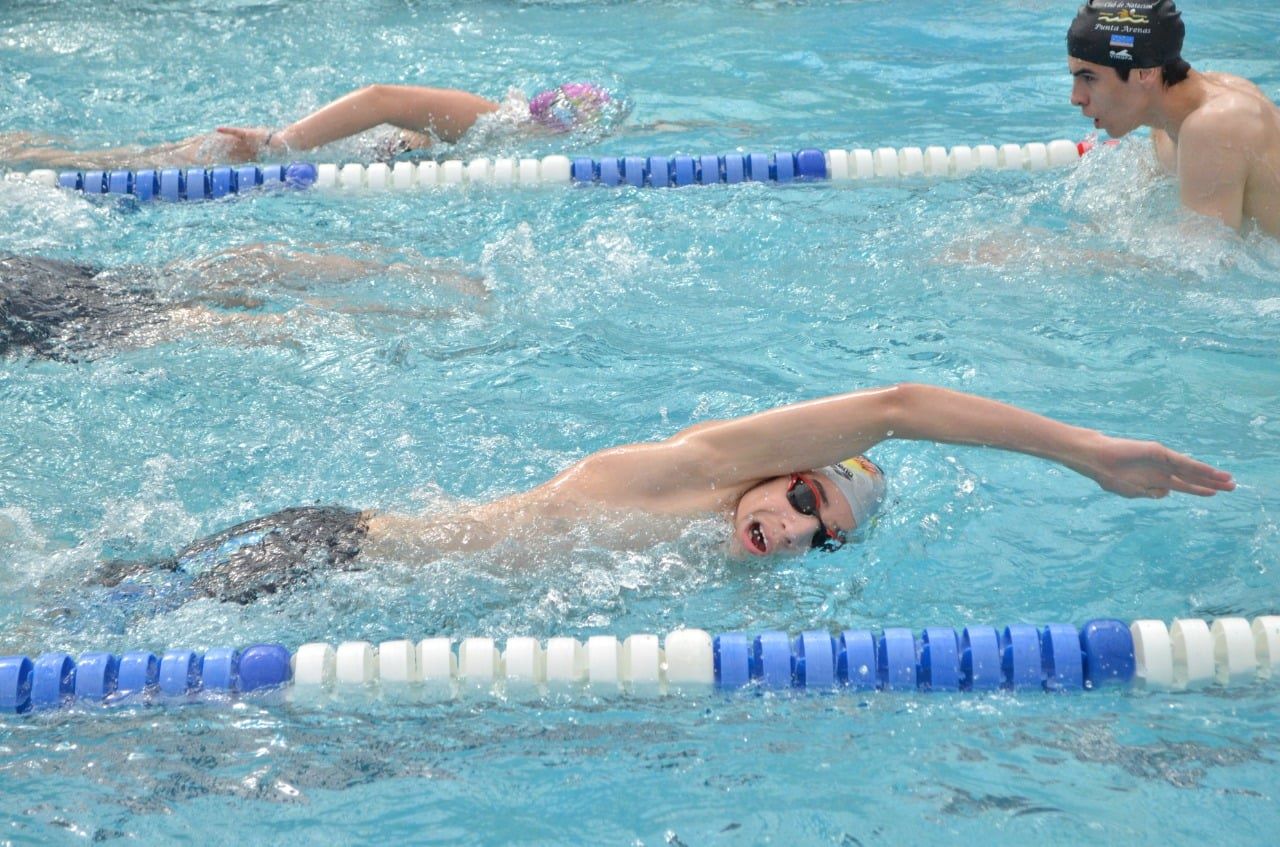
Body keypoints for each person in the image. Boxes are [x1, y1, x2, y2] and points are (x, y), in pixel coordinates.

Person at [94, 383, 1235, 604]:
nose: (789, 530)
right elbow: (901, 406)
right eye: (801, 494)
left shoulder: (716, 561)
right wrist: (1085, 453)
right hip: (316, 557)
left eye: (817, 537)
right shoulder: (696, 471)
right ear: (775, 464)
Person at [0, 83, 621, 171]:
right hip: (268, 148)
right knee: (129, 164)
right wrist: (281, 143)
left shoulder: (502, 138)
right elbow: (381, 96)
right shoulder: (491, 119)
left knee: (136, 159)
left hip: (329, 159)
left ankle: (32, 152)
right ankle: (25, 153)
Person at [0, 247, 485, 360]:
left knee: (205, 322)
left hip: (40, 318)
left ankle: (427, 319)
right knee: (217, 274)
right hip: (27, 273)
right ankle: (426, 279)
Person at [1067, 0, 1280, 237]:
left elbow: (1203, 266)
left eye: (1089, 78)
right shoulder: (1164, 123)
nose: (1076, 98)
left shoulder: (1216, 124)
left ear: (1145, 72)